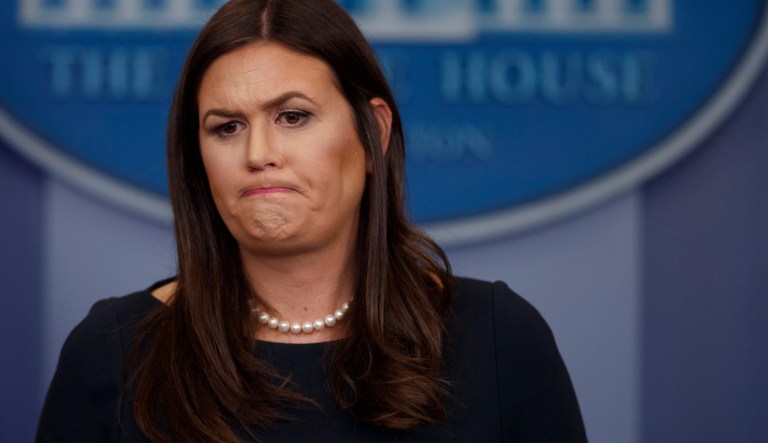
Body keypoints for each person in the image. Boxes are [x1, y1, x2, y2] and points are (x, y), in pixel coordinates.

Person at [36, 0, 587, 441]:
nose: (258, 151)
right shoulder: (113, 350)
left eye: (293, 116)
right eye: (226, 127)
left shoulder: (497, 338)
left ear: (374, 134)